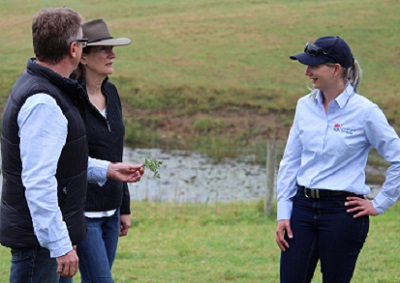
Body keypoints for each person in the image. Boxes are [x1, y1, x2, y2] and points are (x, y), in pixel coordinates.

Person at [0, 7, 144, 283]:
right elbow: (40, 181)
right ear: (75, 50)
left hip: (45, 238)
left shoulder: (48, 88)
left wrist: (107, 170)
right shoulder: (44, 101)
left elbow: (61, 161)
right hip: (39, 242)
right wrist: (60, 244)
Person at [275, 36, 400, 283]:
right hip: (301, 209)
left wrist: (380, 202)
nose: (307, 72)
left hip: (343, 214)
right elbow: (291, 160)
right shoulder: (304, 106)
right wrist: (283, 212)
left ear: (335, 70)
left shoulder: (366, 112)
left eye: (313, 66)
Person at [58, 18, 134, 283]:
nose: (112, 54)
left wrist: (123, 207)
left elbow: (117, 154)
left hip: (111, 214)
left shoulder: (112, 94)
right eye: (104, 49)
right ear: (83, 57)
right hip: (83, 216)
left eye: (113, 48)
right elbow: (65, 162)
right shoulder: (70, 98)